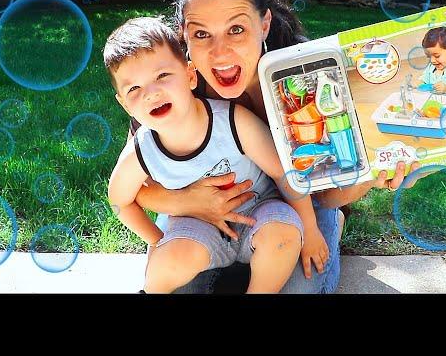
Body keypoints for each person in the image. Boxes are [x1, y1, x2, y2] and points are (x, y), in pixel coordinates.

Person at [128, 0, 421, 293]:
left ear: (264, 23)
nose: (219, 52)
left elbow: (325, 192)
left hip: (291, 208)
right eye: (202, 33)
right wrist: (186, 202)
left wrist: (374, 177)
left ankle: (334, 226)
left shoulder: (307, 80)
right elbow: (138, 188)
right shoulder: (168, 82)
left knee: (297, 288)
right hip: (200, 211)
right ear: (184, 32)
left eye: (236, 29)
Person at [105, 17, 330, 293]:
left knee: (283, 236)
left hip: (260, 212)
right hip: (199, 225)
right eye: (134, 89)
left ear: (189, 75)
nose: (151, 94)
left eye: (162, 76)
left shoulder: (231, 121)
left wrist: (309, 228)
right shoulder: (142, 150)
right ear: (124, 104)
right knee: (165, 266)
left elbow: (283, 171)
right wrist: (156, 240)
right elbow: (119, 202)